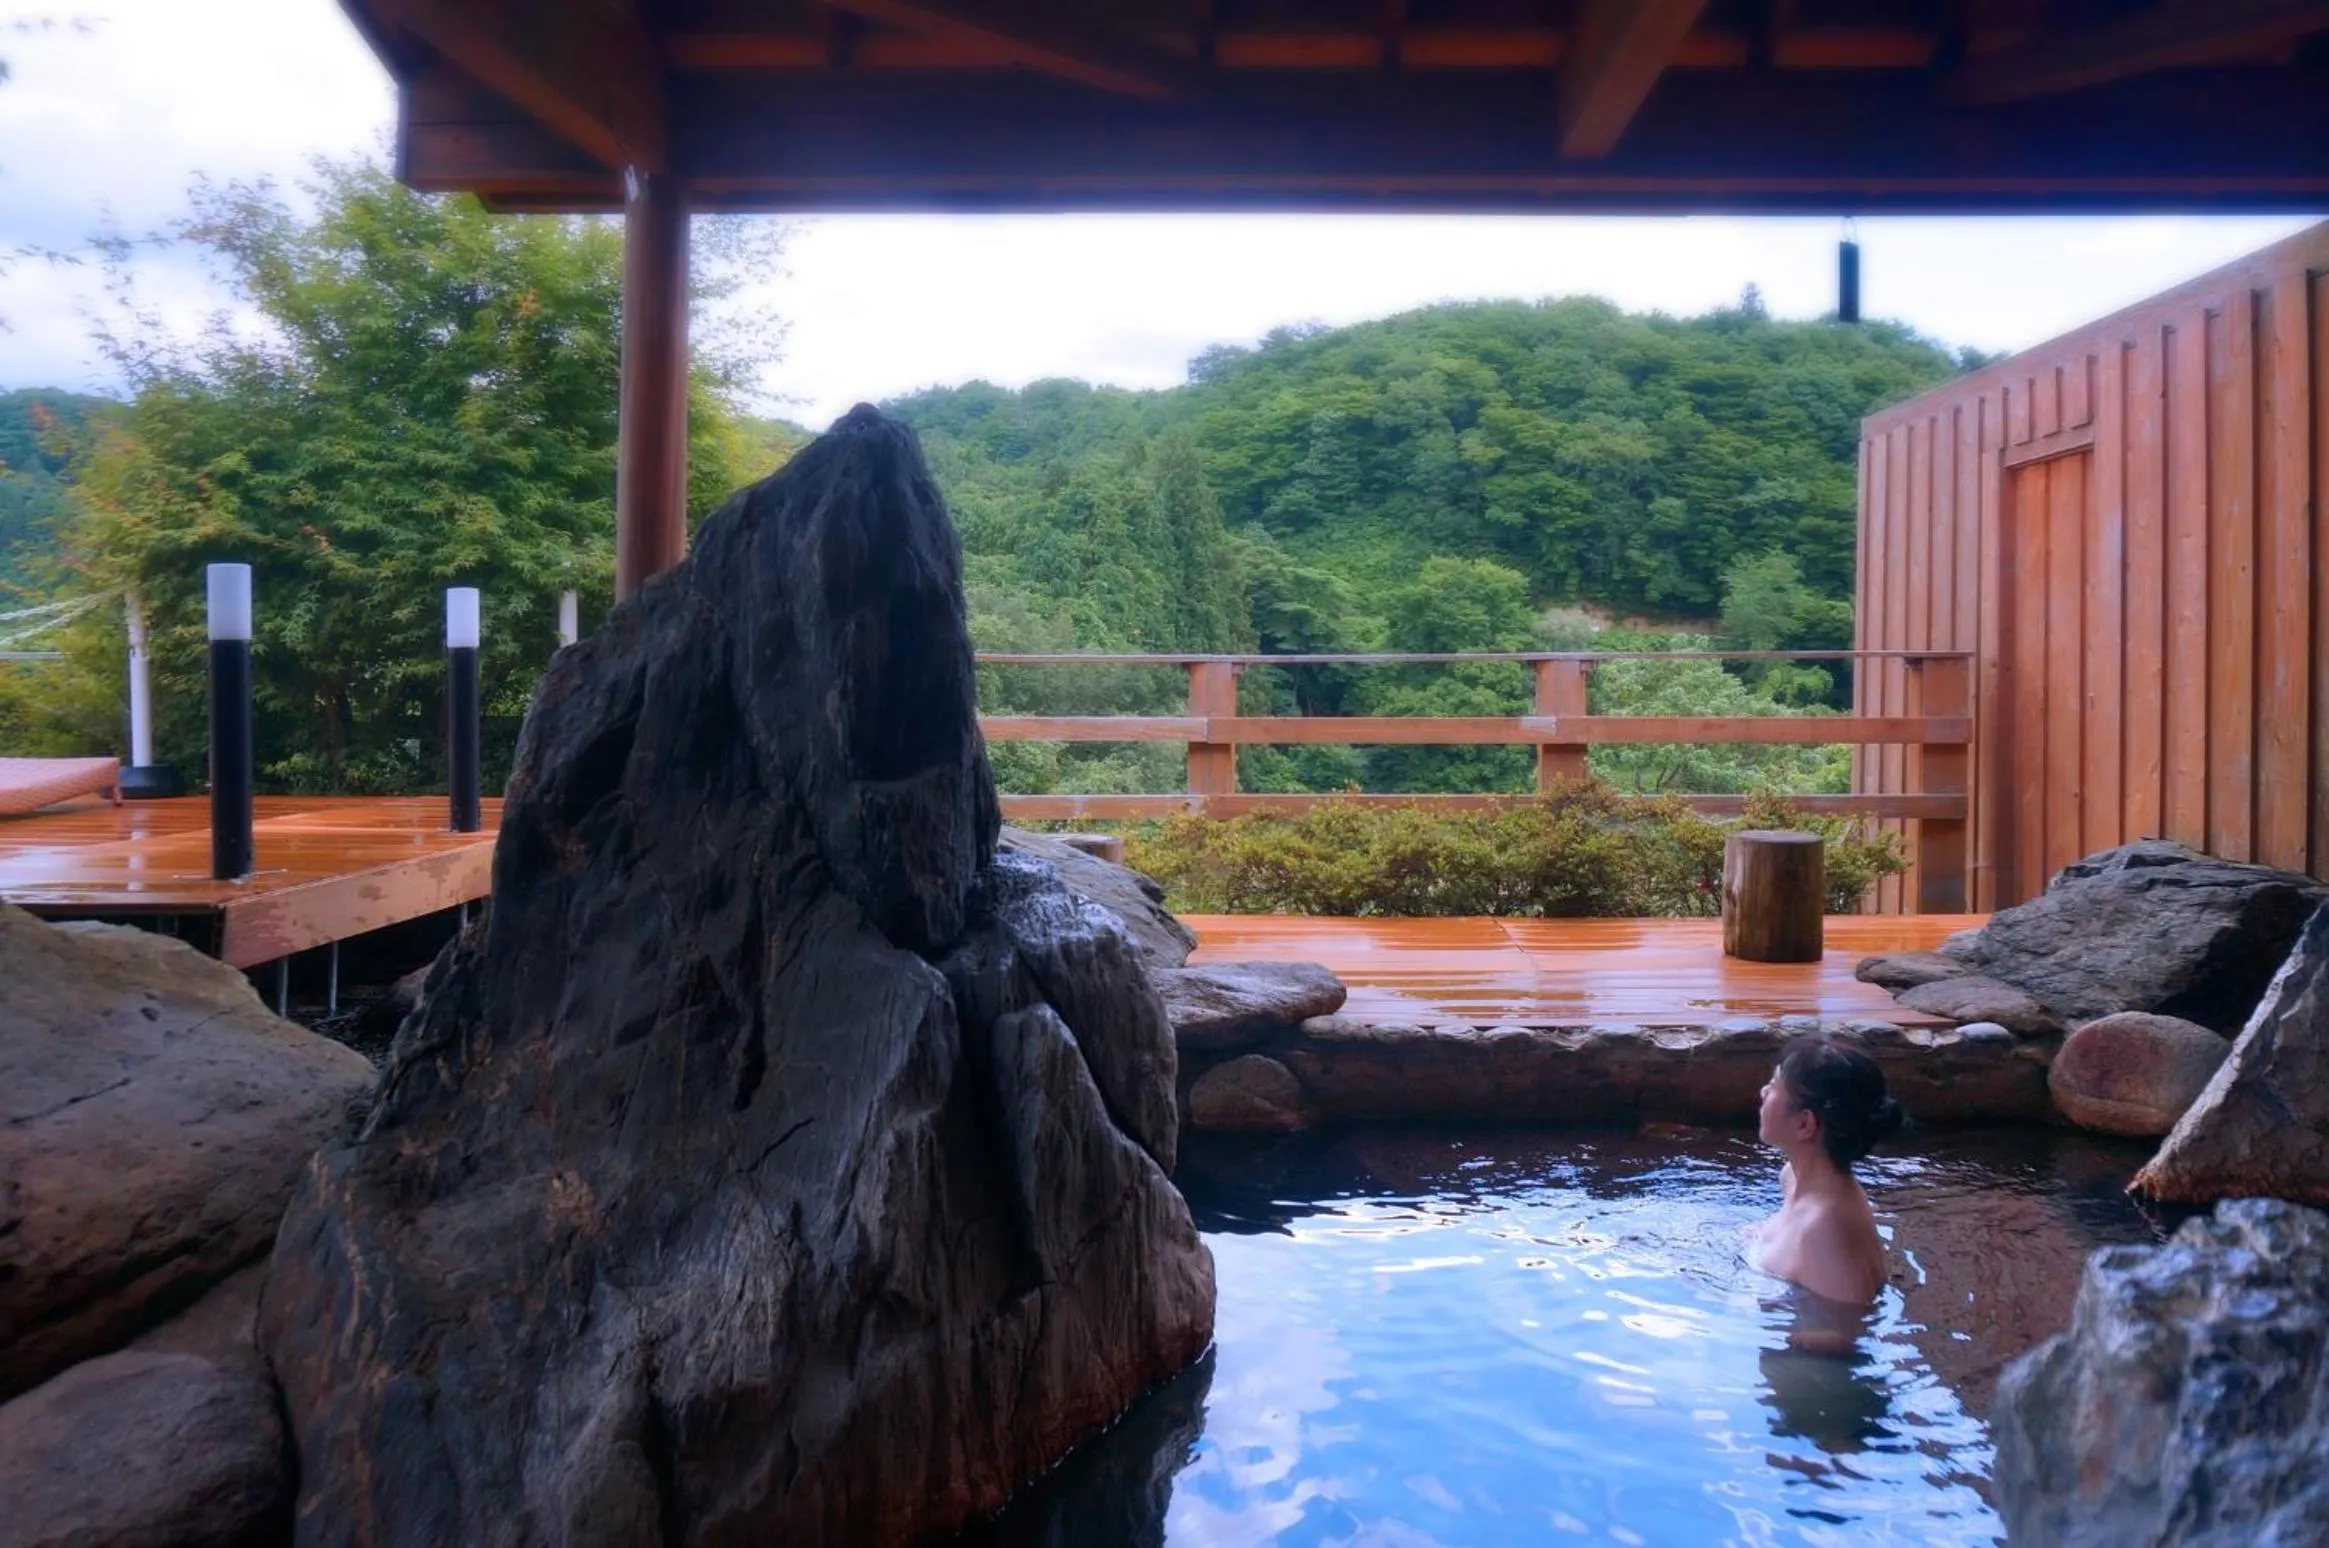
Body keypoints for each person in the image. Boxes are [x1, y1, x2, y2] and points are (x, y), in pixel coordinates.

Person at [1750, 1034, 1905, 1305]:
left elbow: (1835, 1339)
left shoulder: (1825, 1231)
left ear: (1804, 1124)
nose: (1763, 1092)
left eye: (1774, 1087)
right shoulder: (1793, 1178)